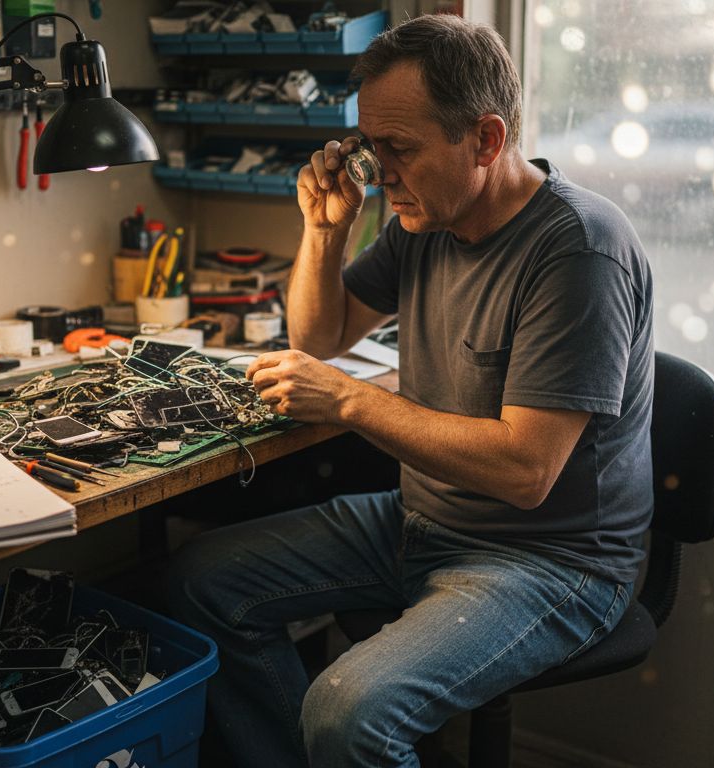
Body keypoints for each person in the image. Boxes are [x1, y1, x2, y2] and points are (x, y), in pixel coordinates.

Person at [167, 13, 654, 768]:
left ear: (485, 142)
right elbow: (318, 339)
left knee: (347, 712)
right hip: (423, 520)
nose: (379, 171)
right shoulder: (424, 216)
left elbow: (526, 472)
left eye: (399, 149)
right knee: (197, 582)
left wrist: (349, 401)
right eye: (368, 147)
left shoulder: (579, 251)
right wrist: (324, 232)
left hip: (551, 561)